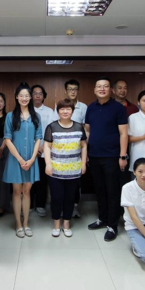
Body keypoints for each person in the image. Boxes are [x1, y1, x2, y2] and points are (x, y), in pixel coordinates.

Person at [85, 77, 129, 242]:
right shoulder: (91, 108)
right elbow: (88, 131)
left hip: (112, 156)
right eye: (99, 86)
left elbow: (123, 133)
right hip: (94, 156)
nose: (102, 89)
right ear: (94, 90)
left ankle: (112, 225)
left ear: (111, 90)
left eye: (105, 86)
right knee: (100, 190)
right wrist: (86, 152)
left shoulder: (118, 108)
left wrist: (122, 155)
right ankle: (102, 218)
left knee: (112, 191)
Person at [43, 98, 87, 237]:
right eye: (62, 109)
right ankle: (57, 225)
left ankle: (66, 224)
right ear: (58, 111)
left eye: (68, 109)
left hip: (74, 170)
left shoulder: (79, 127)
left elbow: (84, 146)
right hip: (55, 170)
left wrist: (83, 164)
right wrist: (48, 164)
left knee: (70, 198)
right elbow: (47, 146)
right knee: (56, 198)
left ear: (72, 111)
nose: (65, 111)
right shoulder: (52, 127)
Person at [3, 83, 43, 238]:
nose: (24, 98)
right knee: (16, 191)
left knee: (27, 191)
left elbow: (38, 138)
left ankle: (26, 223)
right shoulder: (10, 116)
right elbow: (7, 139)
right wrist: (20, 159)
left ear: (30, 97)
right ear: (17, 97)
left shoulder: (36, 116)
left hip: (31, 159)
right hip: (15, 159)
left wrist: (32, 159)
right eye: (21, 95)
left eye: (27, 95)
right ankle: (18, 224)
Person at [60, 80, 87, 217]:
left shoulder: (83, 107)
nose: (72, 91)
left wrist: (85, 151)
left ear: (78, 91)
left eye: (75, 89)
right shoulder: (61, 106)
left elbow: (86, 129)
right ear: (66, 91)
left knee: (76, 181)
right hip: (62, 150)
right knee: (62, 181)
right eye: (70, 89)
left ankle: (75, 206)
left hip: (77, 150)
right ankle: (63, 207)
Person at [30, 84, 56, 217]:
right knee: (29, 179)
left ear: (44, 96)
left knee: (41, 180)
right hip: (29, 151)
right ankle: (29, 205)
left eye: (40, 93)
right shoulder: (26, 110)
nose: (38, 96)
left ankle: (40, 205)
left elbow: (51, 130)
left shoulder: (49, 111)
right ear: (31, 96)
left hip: (43, 150)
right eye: (35, 93)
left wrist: (41, 147)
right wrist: (33, 147)